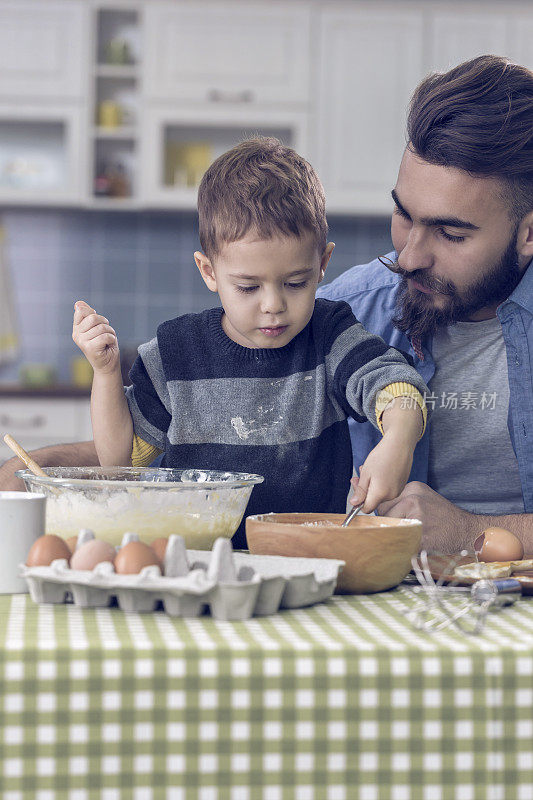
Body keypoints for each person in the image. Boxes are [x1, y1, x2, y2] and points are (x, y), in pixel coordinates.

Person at [69, 138, 428, 548]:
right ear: (208, 271)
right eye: (248, 287)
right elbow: (120, 461)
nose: (273, 306)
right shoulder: (176, 351)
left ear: (323, 264)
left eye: (296, 283)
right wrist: (105, 373)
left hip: (308, 559)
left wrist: (398, 440)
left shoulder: (329, 336)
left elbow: (394, 385)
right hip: (197, 560)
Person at [317, 54, 533, 552]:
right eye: (403, 213)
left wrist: (468, 532)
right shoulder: (342, 314)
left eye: (451, 233)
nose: (409, 256)